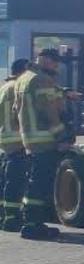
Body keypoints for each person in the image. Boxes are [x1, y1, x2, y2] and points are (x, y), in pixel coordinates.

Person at [14, 48, 70, 240]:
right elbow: (50, 111)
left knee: (33, 182)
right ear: (45, 60)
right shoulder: (41, 79)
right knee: (41, 183)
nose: (56, 65)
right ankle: (33, 225)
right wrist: (62, 136)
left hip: (29, 138)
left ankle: (31, 222)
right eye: (54, 62)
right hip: (45, 139)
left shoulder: (23, 78)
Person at [0, 58, 28, 232]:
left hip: (5, 140)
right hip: (18, 141)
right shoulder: (18, 88)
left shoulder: (4, 88)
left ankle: (4, 215)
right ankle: (12, 218)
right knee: (15, 181)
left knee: (5, 180)